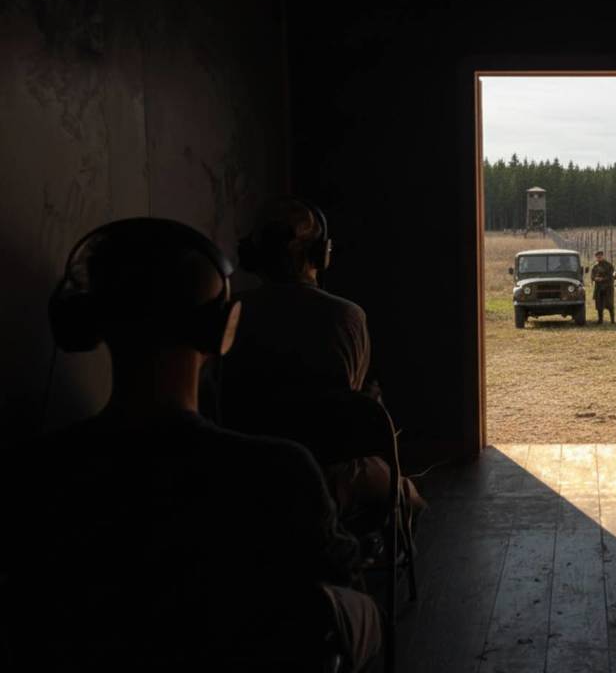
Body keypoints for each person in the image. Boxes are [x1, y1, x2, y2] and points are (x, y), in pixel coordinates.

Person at [0, 218, 381, 672]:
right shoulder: (278, 472)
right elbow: (341, 591)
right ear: (221, 329)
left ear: (84, 322)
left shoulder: (29, 476)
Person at [222, 196, 392, 534]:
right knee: (408, 498)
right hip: (330, 479)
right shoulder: (347, 317)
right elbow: (352, 404)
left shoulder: (232, 313)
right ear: (320, 255)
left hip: (243, 480)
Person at [590, 249, 616, 324]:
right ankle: (600, 320)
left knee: (610, 304)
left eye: (600, 256)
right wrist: (595, 278)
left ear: (603, 256)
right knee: (599, 305)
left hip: (607, 288)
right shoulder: (595, 266)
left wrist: (602, 279)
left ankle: (612, 320)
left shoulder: (609, 265)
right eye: (597, 257)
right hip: (598, 288)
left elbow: (612, 276)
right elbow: (592, 275)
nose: (599, 258)